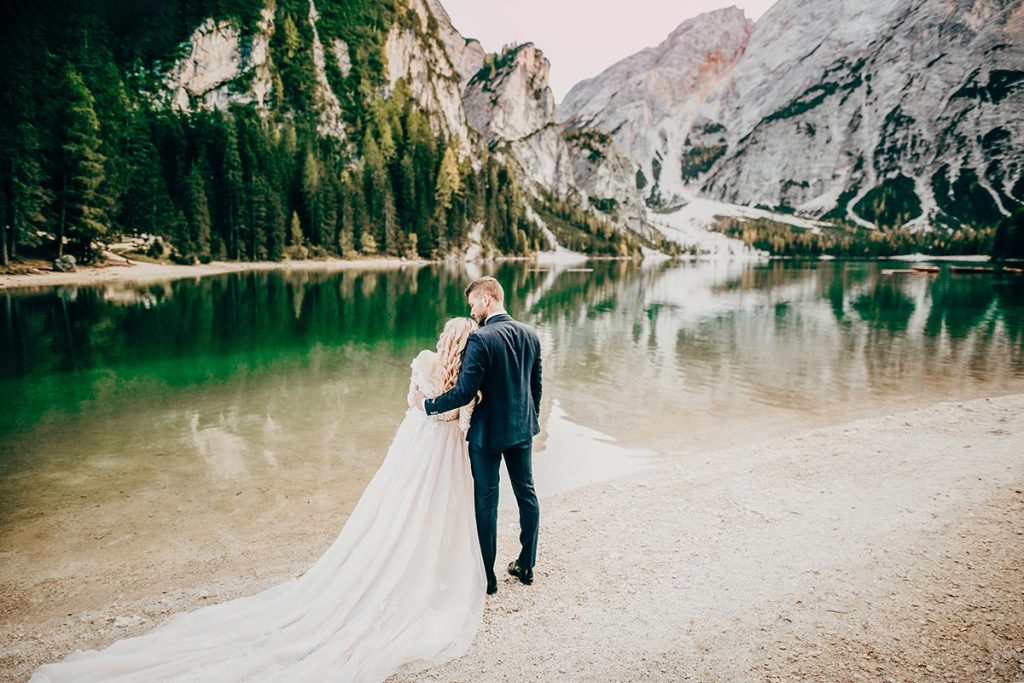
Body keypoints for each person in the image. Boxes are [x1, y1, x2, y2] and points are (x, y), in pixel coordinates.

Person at [30, 318, 486, 683]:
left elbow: (411, 403)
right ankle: (425, 572)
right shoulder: (469, 372)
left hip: (415, 444)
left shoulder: (426, 361)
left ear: (442, 338)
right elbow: (462, 417)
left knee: (395, 508)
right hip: (444, 450)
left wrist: (427, 409)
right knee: (432, 511)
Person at [412, 276, 542, 596]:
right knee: (527, 494)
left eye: (473, 304)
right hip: (522, 429)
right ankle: (526, 565)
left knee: (486, 502)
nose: (472, 311)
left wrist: (427, 405)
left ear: (487, 300)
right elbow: (535, 388)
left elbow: (463, 392)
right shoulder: (530, 334)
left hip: (487, 435)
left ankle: (488, 578)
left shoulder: (481, 340)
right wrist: (530, 420)